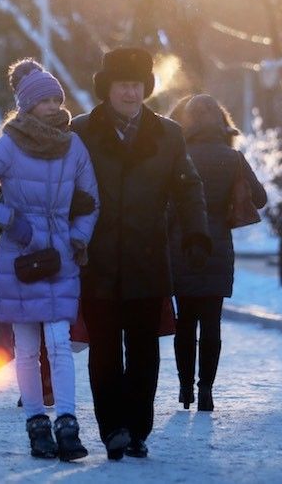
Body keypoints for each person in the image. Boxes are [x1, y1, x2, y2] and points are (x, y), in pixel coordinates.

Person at [0, 58, 99, 462]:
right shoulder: (10, 145)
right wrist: (9, 221)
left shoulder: (74, 146)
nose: (53, 106)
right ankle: (37, 424)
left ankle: (67, 423)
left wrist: (77, 238)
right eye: (44, 100)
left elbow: (91, 202)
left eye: (57, 98)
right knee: (27, 345)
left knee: (59, 342)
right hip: (19, 256)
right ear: (27, 105)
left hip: (61, 256)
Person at [71, 47, 211, 461]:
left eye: (136, 85)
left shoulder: (167, 134)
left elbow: (188, 186)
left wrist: (196, 233)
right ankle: (112, 428)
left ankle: (137, 428)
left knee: (145, 352)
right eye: (122, 86)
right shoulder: (81, 131)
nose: (130, 94)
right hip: (96, 260)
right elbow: (57, 183)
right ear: (107, 90)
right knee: (105, 351)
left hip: (148, 259)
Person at [168, 94, 266, 412]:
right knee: (212, 322)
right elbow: (260, 198)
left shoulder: (178, 155)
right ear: (221, 120)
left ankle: (185, 388)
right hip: (218, 246)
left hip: (182, 245)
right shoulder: (233, 157)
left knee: (185, 321)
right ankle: (206, 390)